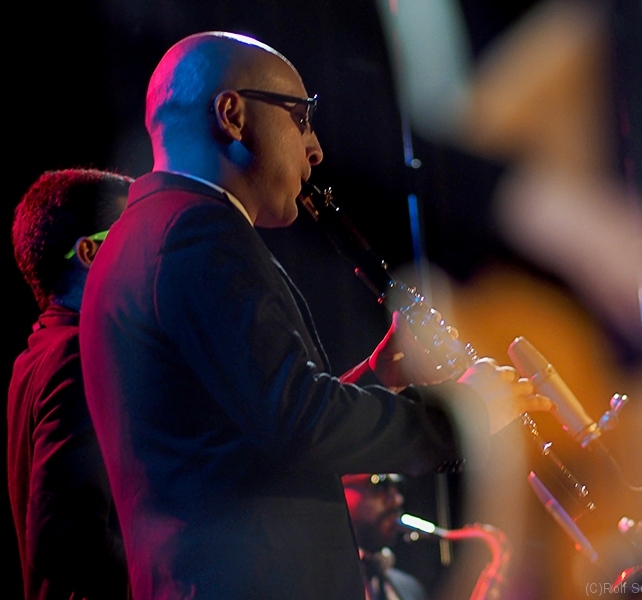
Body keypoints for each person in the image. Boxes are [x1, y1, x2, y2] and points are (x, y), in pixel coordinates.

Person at [79, 31, 550, 599]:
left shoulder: (149, 233)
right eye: (300, 118)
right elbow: (298, 420)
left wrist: (377, 377)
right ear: (232, 115)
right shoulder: (197, 235)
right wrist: (460, 417)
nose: (316, 148)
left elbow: (250, 437)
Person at [8, 168, 132, 599]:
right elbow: (63, 538)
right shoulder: (78, 355)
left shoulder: (41, 351)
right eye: (134, 233)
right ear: (89, 252)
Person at [343, 473, 428, 600]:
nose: (397, 500)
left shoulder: (411, 588)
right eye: (380, 485)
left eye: (398, 486)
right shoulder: (316, 584)